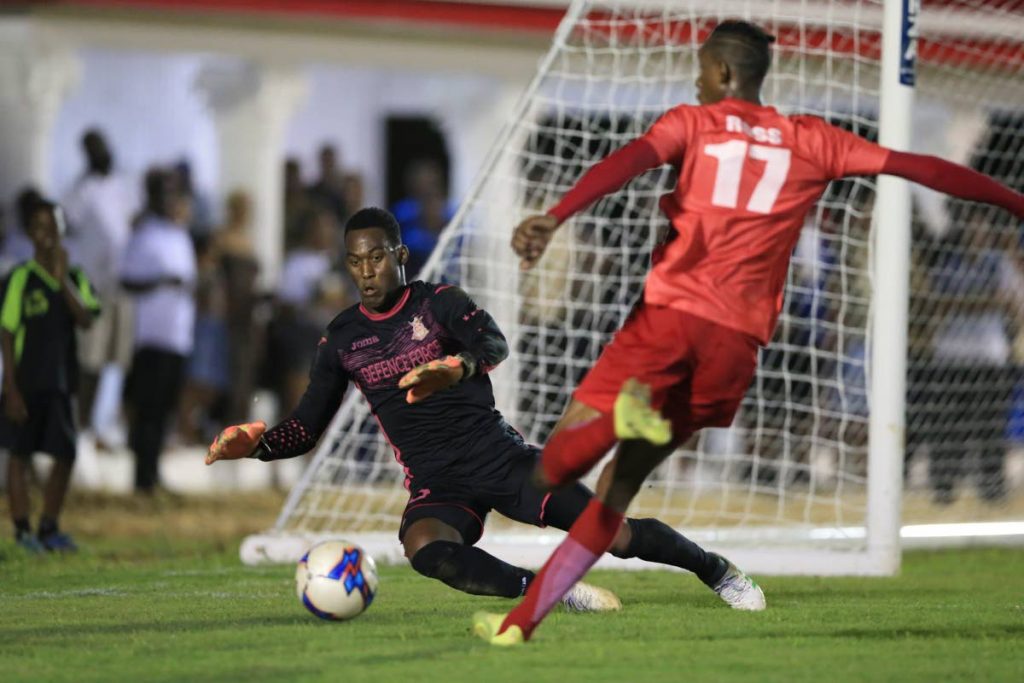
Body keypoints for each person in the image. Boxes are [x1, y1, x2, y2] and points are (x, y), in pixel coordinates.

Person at [472, 20, 1024, 645]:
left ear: (726, 73)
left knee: (547, 473)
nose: (696, 79)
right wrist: (1017, 203)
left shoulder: (693, 122)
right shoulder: (813, 139)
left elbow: (627, 162)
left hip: (670, 322)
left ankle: (619, 420)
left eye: (703, 69)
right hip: (734, 350)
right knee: (613, 498)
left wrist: (555, 213)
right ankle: (521, 626)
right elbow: (917, 166)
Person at [206, 206, 762, 612]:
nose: (367, 271)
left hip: (502, 459)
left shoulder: (440, 303)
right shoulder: (342, 338)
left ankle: (717, 571)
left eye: (376, 257)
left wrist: (456, 367)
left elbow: (495, 344)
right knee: (423, 545)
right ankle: (546, 592)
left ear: (399, 256)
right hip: (438, 481)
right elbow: (306, 426)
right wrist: (256, 445)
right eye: (355, 263)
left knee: (612, 536)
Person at [0, 199, 101, 552]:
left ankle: (49, 526)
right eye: (40, 228)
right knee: (19, 452)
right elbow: (8, 331)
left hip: (60, 381)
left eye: (53, 227)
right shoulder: (19, 278)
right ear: (30, 233)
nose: (47, 236)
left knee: (65, 453)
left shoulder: (74, 277)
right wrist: (9, 387)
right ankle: (23, 530)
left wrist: (61, 282)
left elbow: (87, 319)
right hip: (26, 382)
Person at [120, 169, 197, 494]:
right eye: (164, 195)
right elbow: (126, 279)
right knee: (148, 408)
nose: (170, 201)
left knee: (165, 408)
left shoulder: (179, 235)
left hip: (178, 336)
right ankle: (141, 478)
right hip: (151, 335)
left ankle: (154, 473)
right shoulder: (144, 234)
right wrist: (161, 282)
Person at [62, 129, 135, 449]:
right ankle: (78, 423)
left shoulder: (121, 185)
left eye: (102, 146)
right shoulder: (81, 190)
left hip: (121, 285)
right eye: (93, 148)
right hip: (92, 286)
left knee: (112, 358)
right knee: (88, 359)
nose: (101, 152)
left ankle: (98, 422)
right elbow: (67, 223)